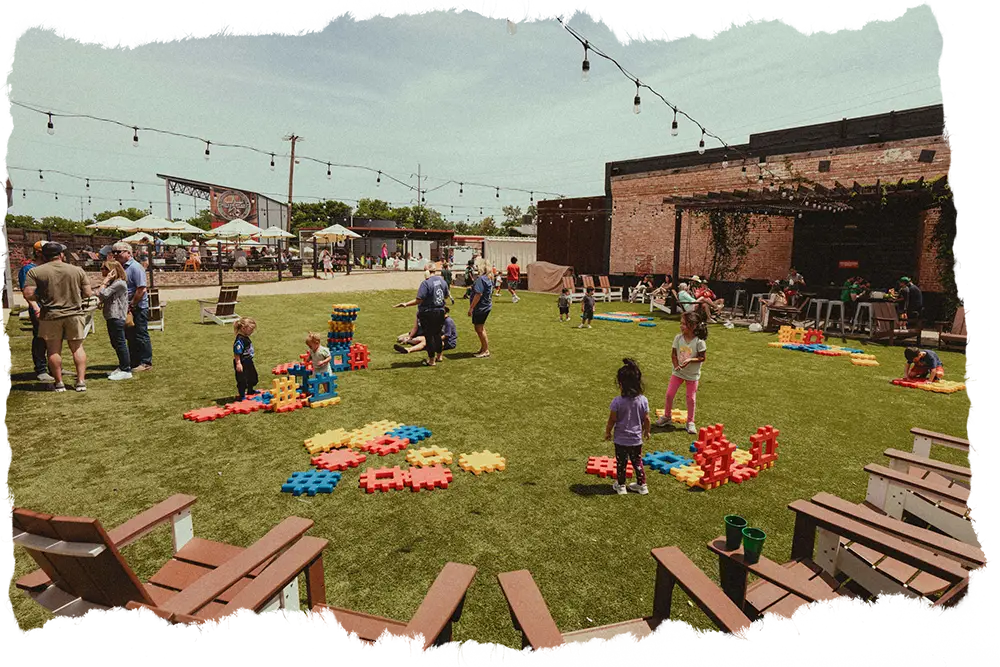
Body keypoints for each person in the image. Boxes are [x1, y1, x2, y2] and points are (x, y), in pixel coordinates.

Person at [22, 242, 92, 392]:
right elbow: (88, 293)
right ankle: (80, 382)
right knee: (77, 348)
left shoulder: (35, 272)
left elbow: (28, 294)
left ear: (43, 255)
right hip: (74, 313)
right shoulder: (77, 270)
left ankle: (59, 383)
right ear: (61, 254)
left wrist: (41, 298)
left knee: (53, 350)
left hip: (50, 314)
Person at [656, 311, 708, 435]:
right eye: (681, 323)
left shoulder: (699, 341)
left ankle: (690, 422)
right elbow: (673, 354)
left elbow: (702, 357)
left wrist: (690, 360)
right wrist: (676, 366)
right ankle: (667, 416)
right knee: (669, 394)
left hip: (692, 375)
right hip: (678, 373)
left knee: (691, 399)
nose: (681, 326)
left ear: (693, 325)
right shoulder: (678, 338)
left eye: (684, 324)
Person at [604, 358, 650, 495]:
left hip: (621, 440)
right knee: (637, 462)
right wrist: (647, 431)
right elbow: (646, 419)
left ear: (621, 384)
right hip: (636, 439)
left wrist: (608, 432)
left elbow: (612, 420)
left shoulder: (617, 402)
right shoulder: (643, 400)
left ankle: (621, 485)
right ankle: (642, 485)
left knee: (621, 463)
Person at [395, 264, 450, 366]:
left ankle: (431, 360)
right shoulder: (443, 281)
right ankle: (439, 356)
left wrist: (406, 304)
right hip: (440, 311)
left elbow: (419, 300)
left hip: (428, 312)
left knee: (429, 336)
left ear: (427, 271)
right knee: (437, 334)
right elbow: (446, 296)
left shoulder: (426, 283)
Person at [112, 242, 153, 372]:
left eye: (119, 252)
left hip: (138, 306)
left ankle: (145, 362)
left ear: (129, 253)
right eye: (114, 252)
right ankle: (134, 360)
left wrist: (133, 304)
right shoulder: (120, 267)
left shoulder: (135, 267)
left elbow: (141, 289)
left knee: (141, 334)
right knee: (130, 335)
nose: (116, 254)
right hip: (127, 307)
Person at [19, 241, 53, 381]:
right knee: (40, 338)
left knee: (54, 339)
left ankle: (54, 366)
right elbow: (26, 292)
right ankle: (41, 368)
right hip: (39, 308)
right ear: (39, 252)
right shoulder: (28, 269)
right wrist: (35, 307)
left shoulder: (48, 267)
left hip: (52, 308)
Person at [95, 259, 132, 381]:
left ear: (112, 271)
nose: (102, 270)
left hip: (117, 316)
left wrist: (104, 282)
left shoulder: (119, 283)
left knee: (120, 342)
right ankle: (122, 367)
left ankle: (126, 370)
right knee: (115, 342)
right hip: (111, 316)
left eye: (104, 268)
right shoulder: (114, 283)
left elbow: (102, 293)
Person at [469, 260, 494, 358]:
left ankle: (485, 350)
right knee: (480, 328)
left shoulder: (481, 279)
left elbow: (478, 294)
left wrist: (471, 308)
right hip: (486, 305)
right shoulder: (489, 278)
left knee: (479, 328)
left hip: (481, 307)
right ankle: (483, 348)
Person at [233, 317, 258, 399]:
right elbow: (237, 353)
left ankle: (250, 390)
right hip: (242, 362)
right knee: (242, 379)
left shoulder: (245, 337)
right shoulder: (239, 340)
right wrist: (238, 363)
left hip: (248, 361)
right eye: (251, 330)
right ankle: (242, 395)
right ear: (243, 328)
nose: (252, 332)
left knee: (252, 377)